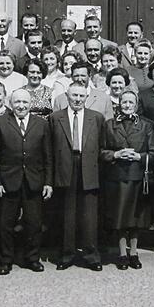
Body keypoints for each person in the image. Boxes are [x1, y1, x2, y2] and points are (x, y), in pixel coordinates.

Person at [0, 88, 54, 275]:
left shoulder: (41, 124)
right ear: (11, 103)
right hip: (8, 181)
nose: (21, 106)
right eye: (17, 102)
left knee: (34, 223)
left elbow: (48, 156)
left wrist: (48, 182)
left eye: (25, 102)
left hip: (34, 180)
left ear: (30, 104)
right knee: (5, 223)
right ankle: (6, 260)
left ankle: (32, 258)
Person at [49, 82, 105, 271]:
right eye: (74, 96)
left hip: (89, 166)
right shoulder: (55, 118)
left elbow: (101, 146)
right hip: (65, 166)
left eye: (82, 96)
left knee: (89, 214)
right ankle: (67, 254)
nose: (78, 100)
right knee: (68, 213)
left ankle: (91, 255)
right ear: (67, 95)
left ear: (86, 97)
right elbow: (49, 149)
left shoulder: (96, 118)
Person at [100, 90, 154, 270]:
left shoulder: (146, 125)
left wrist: (138, 157)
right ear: (118, 104)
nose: (127, 105)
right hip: (115, 177)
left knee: (136, 217)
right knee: (119, 217)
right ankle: (122, 253)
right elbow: (101, 150)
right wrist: (116, 154)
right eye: (124, 102)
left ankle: (133, 252)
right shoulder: (109, 125)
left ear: (136, 104)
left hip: (137, 177)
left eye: (130, 102)